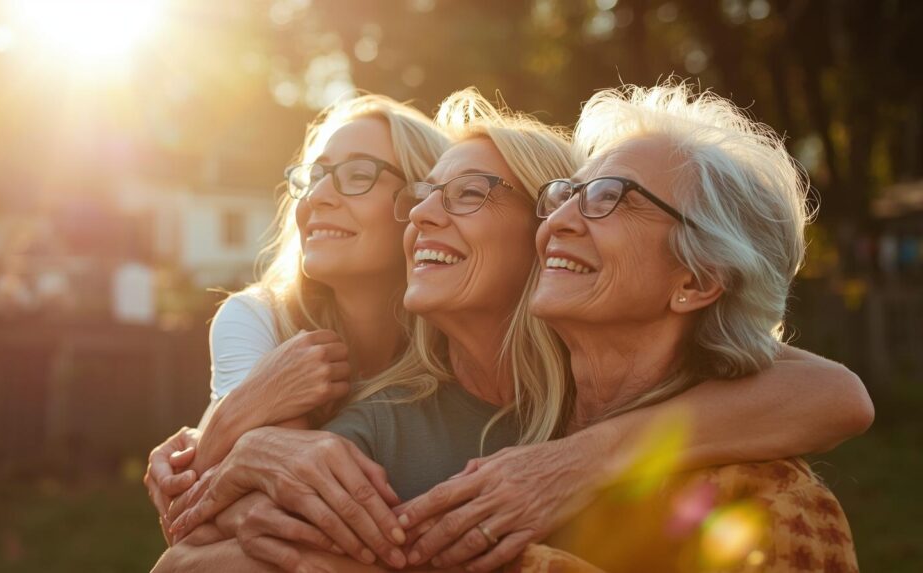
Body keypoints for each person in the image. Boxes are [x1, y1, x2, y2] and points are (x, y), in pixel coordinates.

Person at [156, 88, 871, 572]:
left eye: (608, 198)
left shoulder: (732, 460)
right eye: (569, 196)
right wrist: (245, 439)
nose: (565, 219)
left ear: (695, 281)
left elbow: (838, 394)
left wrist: (584, 459)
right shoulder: (386, 413)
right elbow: (188, 558)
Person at [144, 93, 450, 568]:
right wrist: (251, 403)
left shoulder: (462, 338)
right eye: (316, 176)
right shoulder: (257, 317)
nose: (319, 196)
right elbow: (273, 512)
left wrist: (220, 433)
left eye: (358, 175)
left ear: (423, 202)